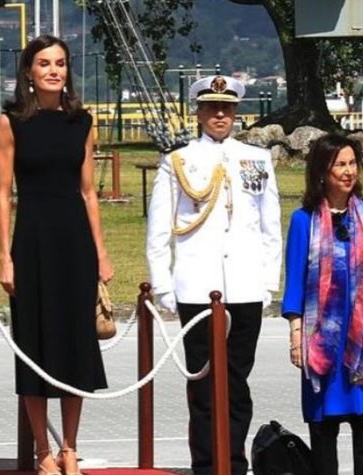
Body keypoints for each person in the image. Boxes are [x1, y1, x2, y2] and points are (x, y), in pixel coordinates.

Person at [145, 75, 282, 475]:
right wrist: (163, 284)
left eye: (226, 107)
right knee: (203, 383)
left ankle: (233, 463)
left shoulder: (256, 159)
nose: (219, 114)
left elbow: (269, 223)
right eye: (211, 107)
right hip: (197, 285)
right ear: (199, 112)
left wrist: (267, 283)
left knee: (237, 382)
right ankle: (206, 464)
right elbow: (158, 227)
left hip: (244, 285)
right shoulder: (179, 160)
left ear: (236, 112)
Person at [0, 35, 113, 475]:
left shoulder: (82, 121)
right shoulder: (10, 122)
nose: (53, 71)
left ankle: (71, 448)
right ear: (28, 70)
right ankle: (42, 449)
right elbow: (3, 194)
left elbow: (88, 192)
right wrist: (5, 256)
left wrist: (101, 252)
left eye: (60, 63)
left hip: (74, 242)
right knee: (35, 341)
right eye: (44, 63)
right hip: (32, 241)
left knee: (74, 345)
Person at [282, 134, 363, 474]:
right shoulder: (304, 221)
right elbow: (296, 283)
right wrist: (296, 334)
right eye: (339, 165)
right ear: (321, 172)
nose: (348, 172)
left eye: (352, 163)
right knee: (324, 426)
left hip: (359, 342)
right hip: (321, 341)